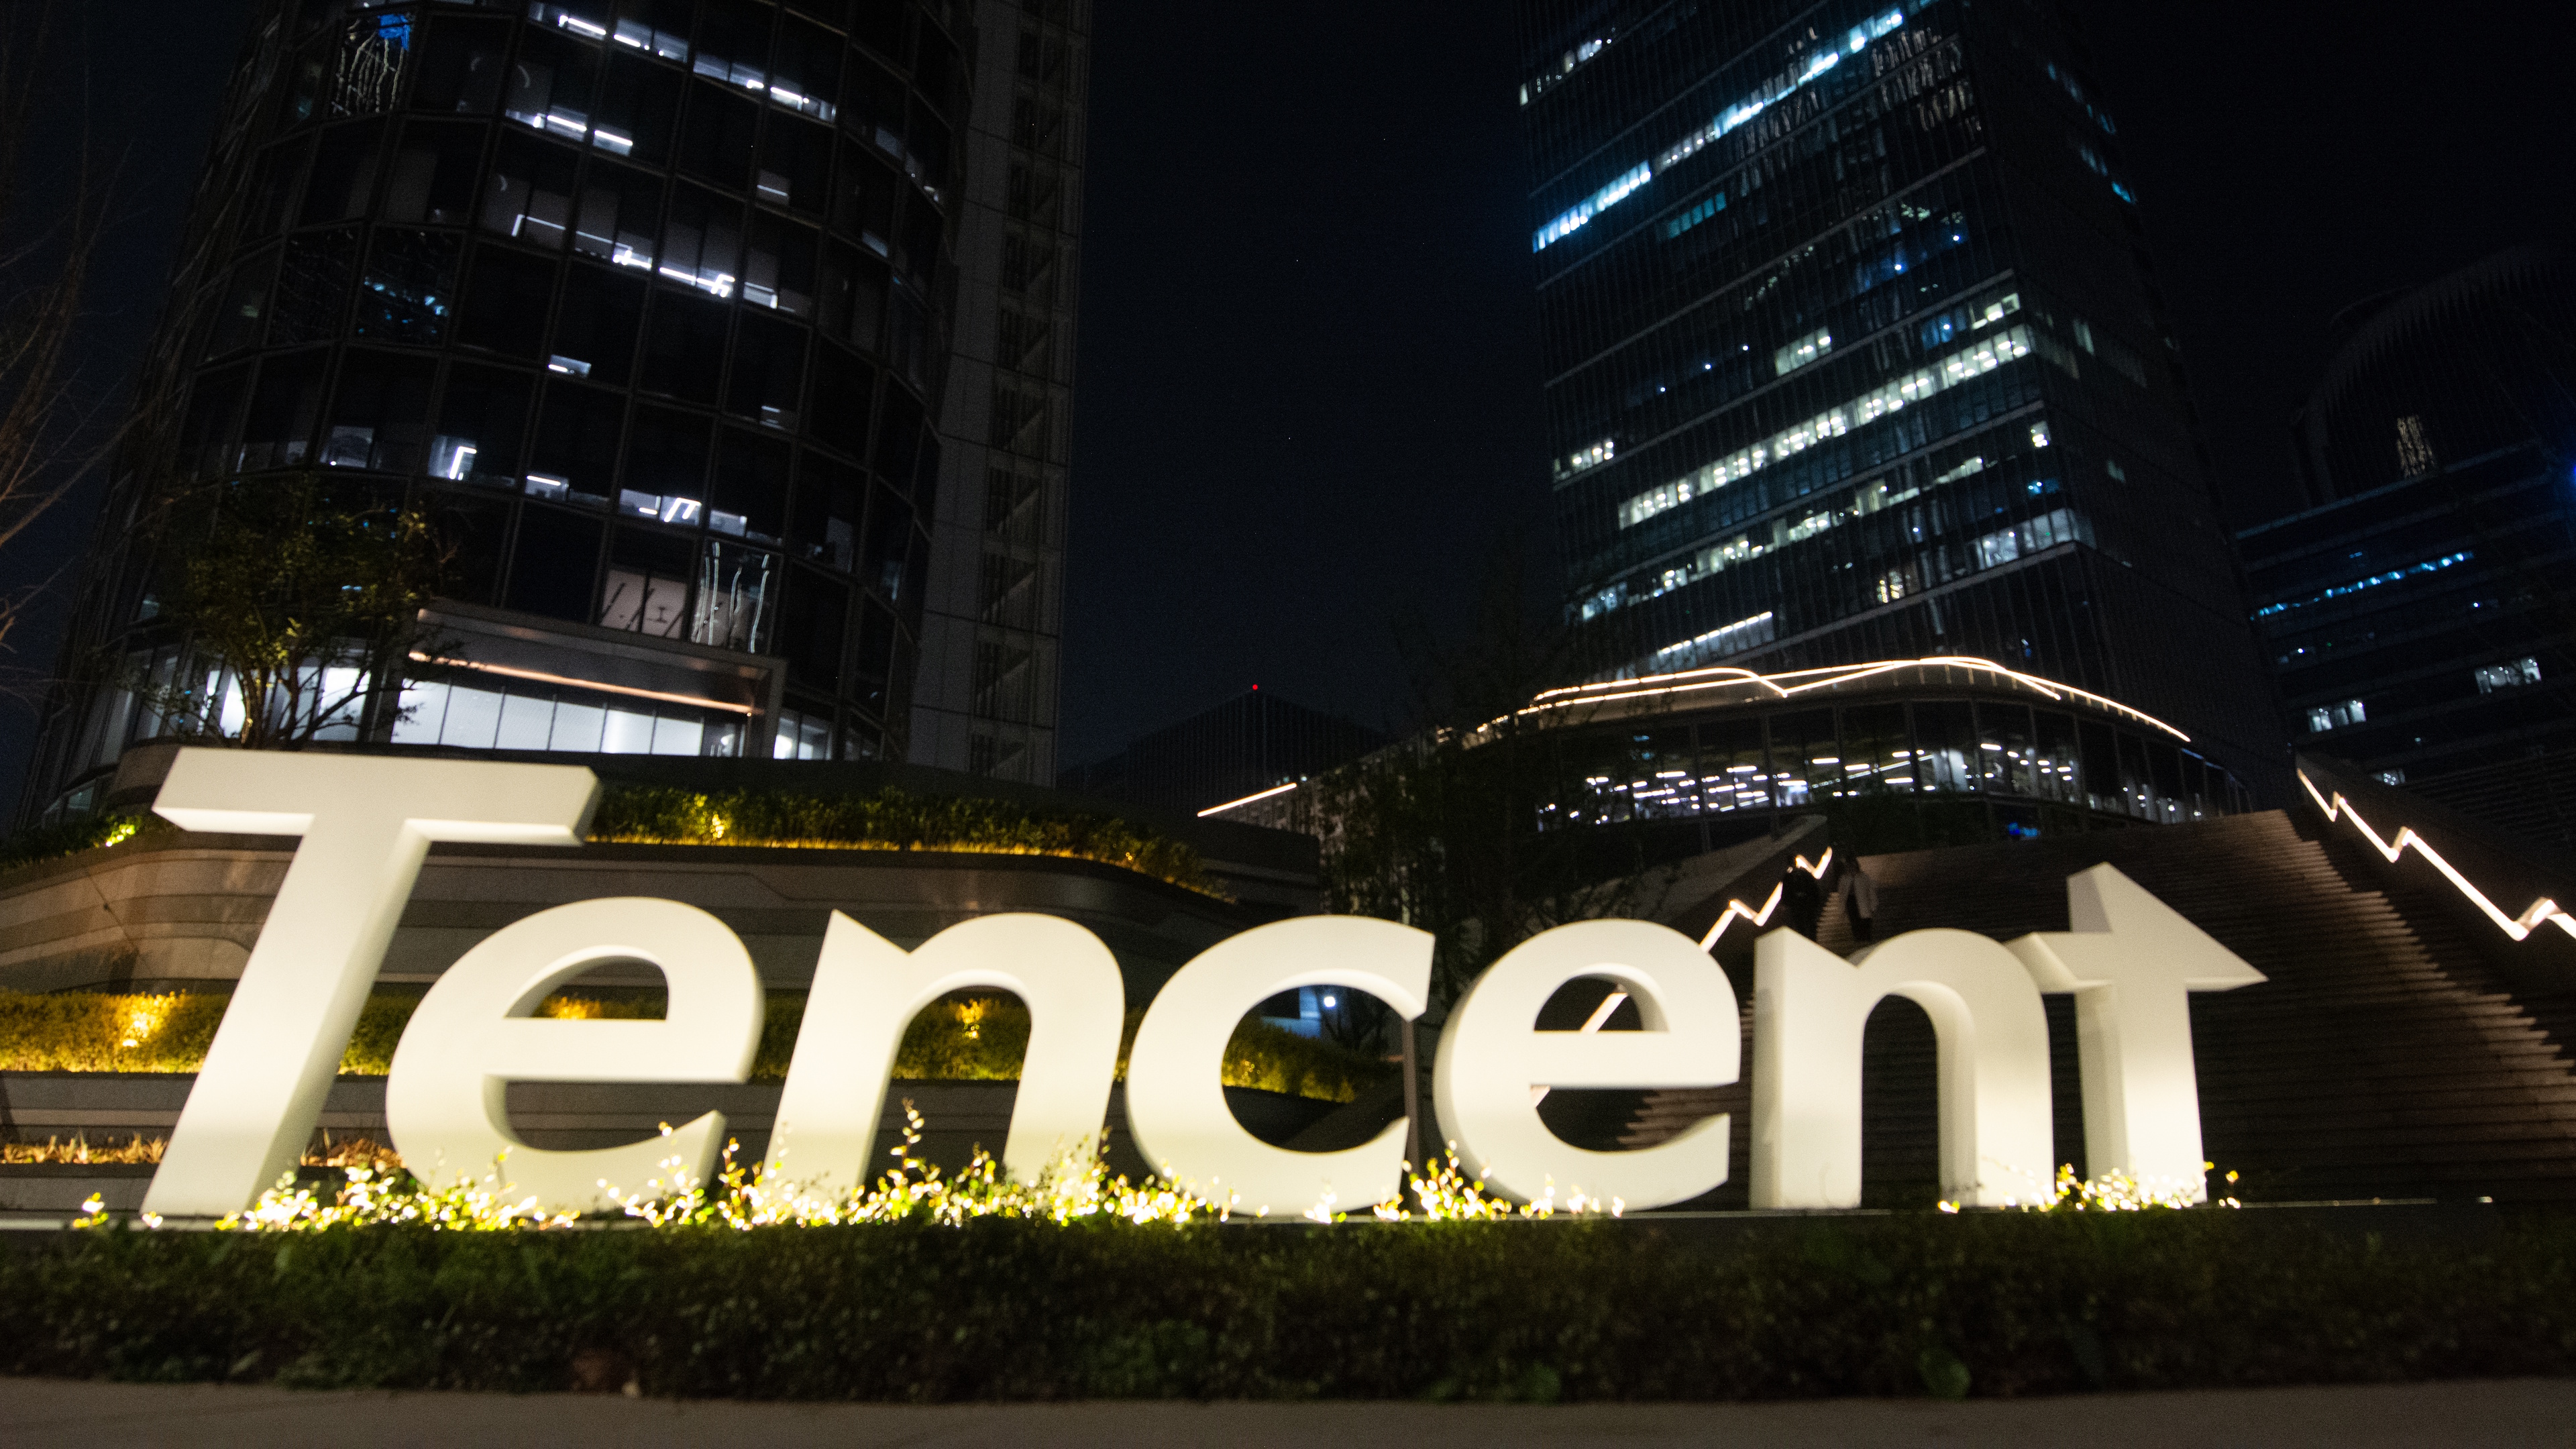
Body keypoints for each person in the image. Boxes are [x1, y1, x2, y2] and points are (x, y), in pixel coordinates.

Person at [1782, 862, 1824, 940]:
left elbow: (1786, 892)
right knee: (1807, 926)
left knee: (1804, 927)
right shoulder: (1803, 875)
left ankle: (1808, 942)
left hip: (1800, 905)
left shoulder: (1790, 877)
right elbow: (1815, 889)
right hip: (1803, 905)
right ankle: (1811, 942)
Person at [1843, 861, 1880, 943]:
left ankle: (1866, 939)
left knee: (1865, 922)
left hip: (1863, 903)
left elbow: (1871, 892)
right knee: (1855, 922)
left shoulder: (1864, 878)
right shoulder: (1845, 879)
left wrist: (1873, 905)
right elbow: (1843, 894)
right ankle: (1859, 939)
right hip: (1852, 902)